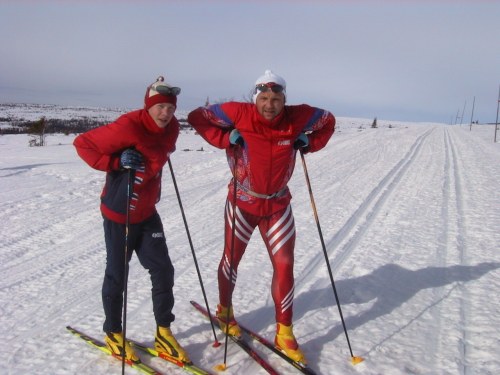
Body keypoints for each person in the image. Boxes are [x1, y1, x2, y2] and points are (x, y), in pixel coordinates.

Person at [187, 70, 335, 365]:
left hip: (278, 205)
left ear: (284, 99)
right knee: (231, 261)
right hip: (242, 202)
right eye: (264, 98)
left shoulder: (300, 116)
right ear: (256, 98)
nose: (270, 105)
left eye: (276, 99)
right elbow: (197, 117)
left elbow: (328, 121)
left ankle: (285, 331)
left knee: (285, 264)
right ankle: (225, 311)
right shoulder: (236, 112)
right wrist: (225, 136)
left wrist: (308, 141)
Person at [73, 76, 190, 364]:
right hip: (119, 212)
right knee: (117, 273)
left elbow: (162, 150)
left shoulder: (172, 128)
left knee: (163, 270)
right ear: (148, 106)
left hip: (147, 212)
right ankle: (113, 331)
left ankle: (163, 331)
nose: (165, 114)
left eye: (170, 108)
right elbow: (83, 144)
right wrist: (115, 161)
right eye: (160, 107)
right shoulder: (129, 126)